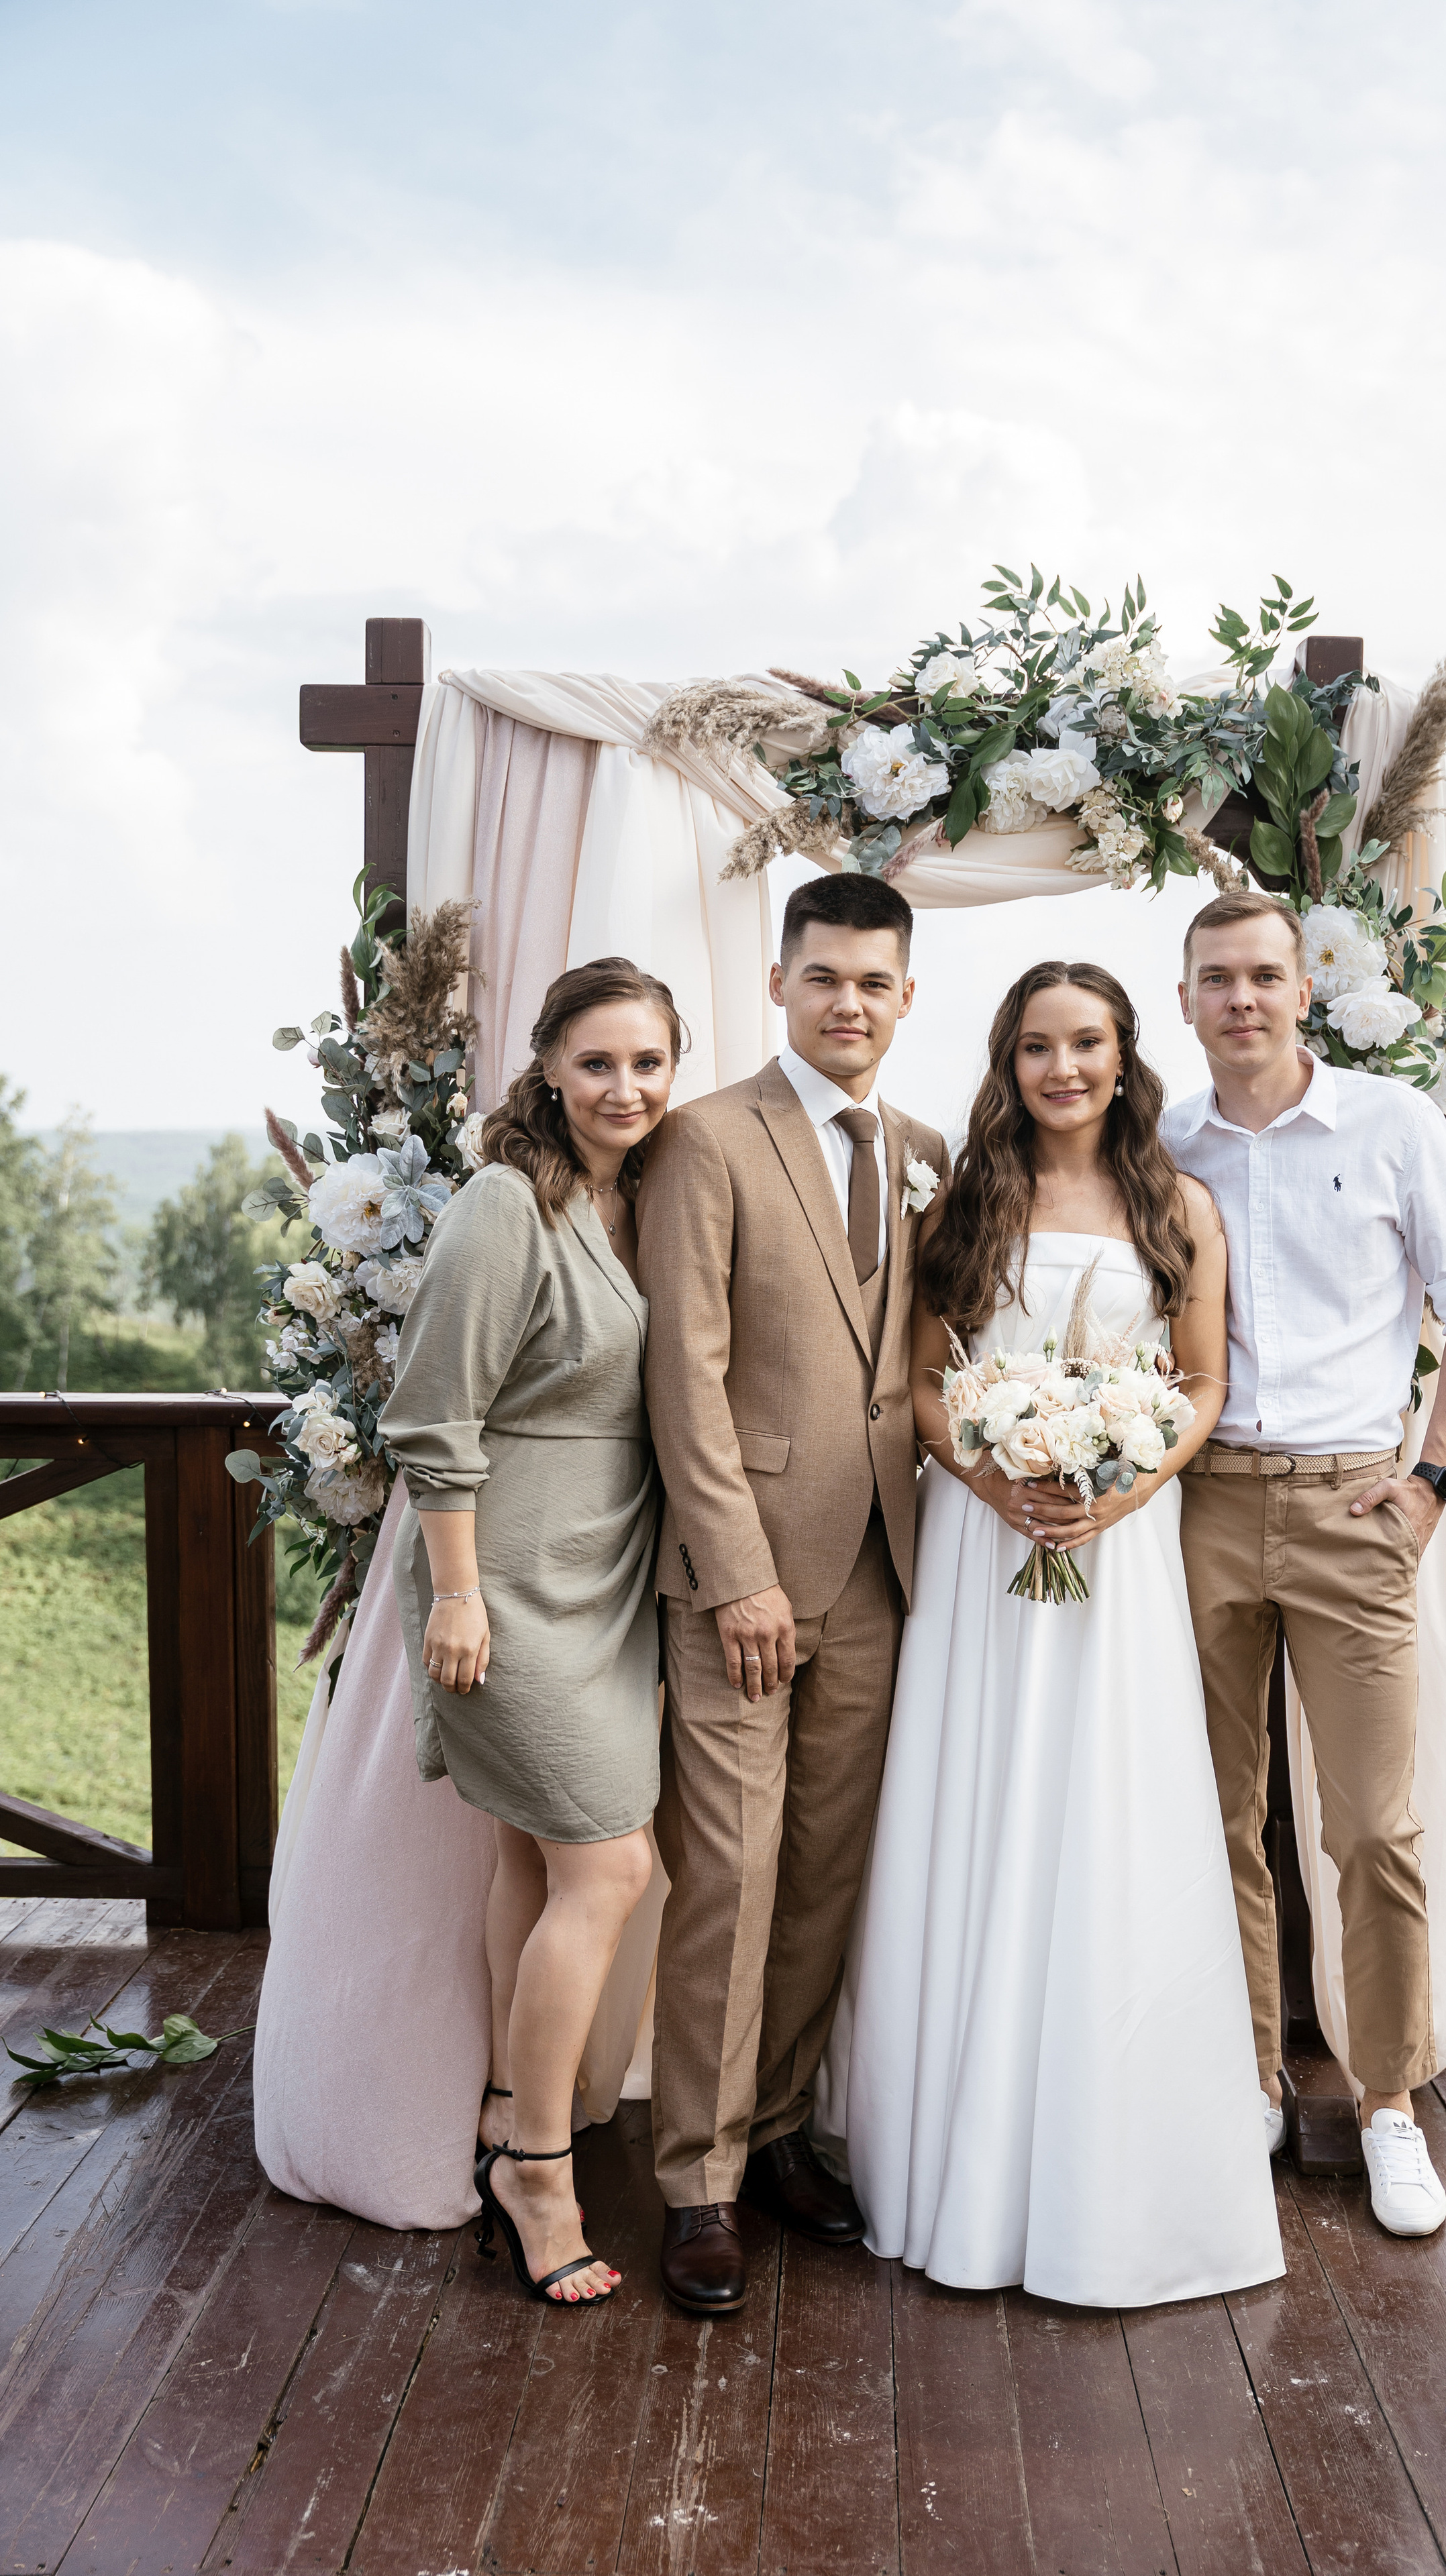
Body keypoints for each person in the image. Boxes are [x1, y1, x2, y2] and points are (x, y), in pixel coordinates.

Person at [831, 960, 1284, 2307]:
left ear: (1122, 1051)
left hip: (1117, 1547)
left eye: (1084, 1042)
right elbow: (921, 1381)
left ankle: (1117, 2161)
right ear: (1006, 1060)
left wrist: (1123, 1482)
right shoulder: (966, 1198)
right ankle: (948, 2158)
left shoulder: (1178, 1205)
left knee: (1111, 1821)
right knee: (976, 1815)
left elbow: (1199, 1383)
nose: (1061, 1068)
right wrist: (994, 1474)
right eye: (1035, 1046)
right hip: (986, 1547)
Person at [1164, 888, 1446, 2239]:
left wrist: (1431, 1479)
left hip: (1351, 1507)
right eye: (1214, 978)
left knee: (1371, 1827)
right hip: (1196, 1502)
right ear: (1183, 996)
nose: (1240, 998)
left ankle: (1383, 2104)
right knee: (1217, 1816)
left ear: (1303, 989)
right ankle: (1247, 2075)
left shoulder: (1389, 1122)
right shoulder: (1162, 1136)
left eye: (1263, 975)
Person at [635, 871, 949, 2317]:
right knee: (732, 1877)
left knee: (825, 1875)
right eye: (822, 976)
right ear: (777, 984)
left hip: (889, 1569)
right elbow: (681, 1383)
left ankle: (770, 2135)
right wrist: (735, 1575)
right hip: (744, 1587)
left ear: (903, 996)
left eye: (873, 981)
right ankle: (694, 2179)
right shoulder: (706, 1141)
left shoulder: (926, 1148)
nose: (847, 1002)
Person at [380, 955, 683, 2305]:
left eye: (647, 1063)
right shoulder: (504, 1204)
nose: (625, 1087)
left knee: (534, 1857)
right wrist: (455, 1591)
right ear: (548, 1070)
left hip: (607, 1568)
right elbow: (432, 1414)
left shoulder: (637, 1203)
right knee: (609, 1869)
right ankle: (541, 2173)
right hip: (499, 1573)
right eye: (598, 1062)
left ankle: (513, 2100)